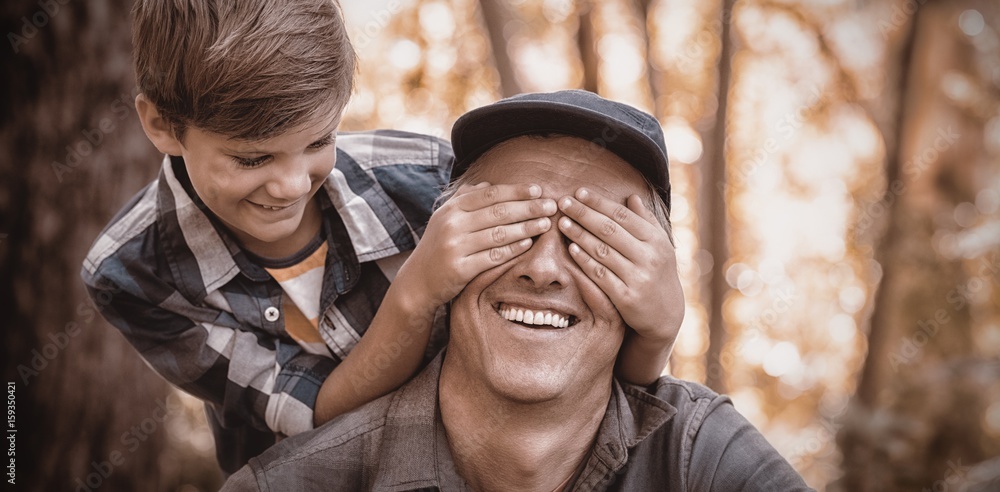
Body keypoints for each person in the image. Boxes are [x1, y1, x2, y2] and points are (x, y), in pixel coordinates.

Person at [80, 2, 675, 474]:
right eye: (251, 157)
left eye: (318, 143)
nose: (289, 185)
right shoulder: (131, 274)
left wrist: (659, 330)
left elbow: (577, 358)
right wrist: (414, 296)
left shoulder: (428, 178)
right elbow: (313, 415)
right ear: (162, 124)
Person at [220, 90, 812, 491]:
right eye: (510, 226)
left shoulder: (700, 459)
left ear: (650, 286)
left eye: (593, 238)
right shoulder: (295, 483)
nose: (545, 268)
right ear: (441, 257)